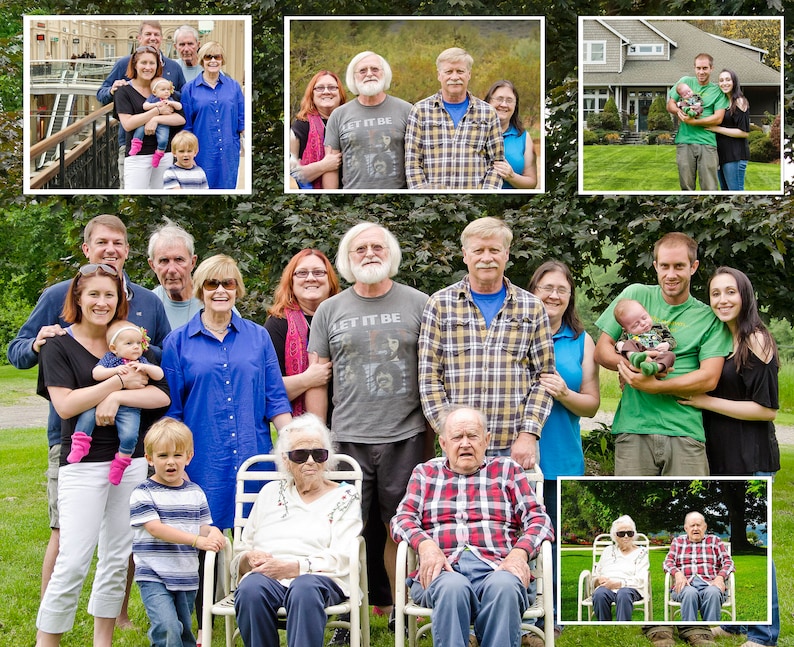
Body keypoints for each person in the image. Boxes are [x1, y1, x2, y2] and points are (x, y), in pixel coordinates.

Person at [7, 214, 170, 615]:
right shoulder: (58, 295)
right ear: (86, 249)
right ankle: (53, 610)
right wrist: (39, 344)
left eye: (118, 243)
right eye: (101, 243)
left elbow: (164, 357)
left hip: (130, 440)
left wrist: (139, 367)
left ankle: (120, 616)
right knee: (66, 536)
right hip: (72, 436)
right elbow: (19, 348)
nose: (110, 250)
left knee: (121, 538)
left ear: (128, 250)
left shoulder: (148, 301)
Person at [35, 263, 171, 647]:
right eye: (93, 294)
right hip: (81, 466)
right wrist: (117, 381)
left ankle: (103, 642)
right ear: (78, 298)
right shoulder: (58, 345)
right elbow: (65, 405)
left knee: (116, 558)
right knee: (74, 560)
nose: (101, 302)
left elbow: (160, 398)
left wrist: (116, 395)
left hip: (130, 463)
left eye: (109, 295)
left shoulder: (133, 345)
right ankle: (46, 642)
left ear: (121, 300)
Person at [161, 253, 292, 646]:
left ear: (238, 288)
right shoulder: (177, 343)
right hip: (203, 461)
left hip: (255, 460)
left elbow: (276, 401)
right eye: (212, 284)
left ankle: (264, 617)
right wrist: (177, 465)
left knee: (261, 540)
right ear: (200, 290)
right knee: (207, 547)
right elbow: (174, 411)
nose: (221, 291)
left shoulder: (258, 337)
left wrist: (297, 450)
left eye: (229, 284)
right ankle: (203, 629)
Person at [305, 222, 430, 630]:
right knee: (344, 533)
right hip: (347, 439)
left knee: (402, 529)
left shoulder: (420, 304)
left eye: (378, 246)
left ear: (391, 254)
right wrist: (318, 436)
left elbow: (435, 371)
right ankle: (346, 619)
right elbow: (317, 378)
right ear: (347, 259)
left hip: (408, 437)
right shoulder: (330, 309)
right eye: (360, 249)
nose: (370, 253)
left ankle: (400, 611)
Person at [391, 406, 555, 647]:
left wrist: (520, 553)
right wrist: (425, 546)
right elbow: (402, 518)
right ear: (444, 443)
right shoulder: (425, 473)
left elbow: (539, 519)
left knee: (505, 588)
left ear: (486, 440)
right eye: (457, 437)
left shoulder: (507, 470)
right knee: (452, 587)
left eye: (473, 436)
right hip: (444, 569)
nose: (465, 444)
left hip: (498, 567)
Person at [679, 266, 780, 647]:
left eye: (730, 292)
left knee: (761, 549)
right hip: (719, 456)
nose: (722, 299)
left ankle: (763, 634)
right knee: (730, 536)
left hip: (750, 456)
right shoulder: (721, 336)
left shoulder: (756, 338)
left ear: (745, 296)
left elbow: (767, 409)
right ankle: (738, 625)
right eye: (716, 293)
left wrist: (707, 401)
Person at [593, 232, 733, 477]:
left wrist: (654, 386)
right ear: (655, 265)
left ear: (693, 267)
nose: (671, 274)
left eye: (679, 266)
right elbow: (603, 350)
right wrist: (632, 369)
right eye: (664, 266)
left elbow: (709, 378)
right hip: (634, 427)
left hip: (684, 430)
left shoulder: (709, 317)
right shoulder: (634, 295)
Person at [418, 217, 555, 467]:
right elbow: (429, 378)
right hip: (458, 446)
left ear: (506, 253)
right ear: (465, 255)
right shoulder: (439, 304)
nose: (486, 257)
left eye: (494, 250)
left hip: (513, 445)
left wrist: (528, 434)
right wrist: (448, 433)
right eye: (478, 250)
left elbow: (543, 378)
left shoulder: (532, 307)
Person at [232, 414, 362, 647]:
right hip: (267, 576)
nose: (310, 461)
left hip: (320, 579)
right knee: (251, 588)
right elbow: (243, 547)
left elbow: (344, 556)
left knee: (304, 588)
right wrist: (248, 559)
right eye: (300, 455)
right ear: (286, 460)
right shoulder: (269, 493)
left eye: (319, 454)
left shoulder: (345, 497)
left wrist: (293, 567)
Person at [528, 260, 599, 633]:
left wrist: (565, 393)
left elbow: (591, 404)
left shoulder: (581, 340)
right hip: (518, 454)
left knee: (550, 539)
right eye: (546, 287)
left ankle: (550, 613)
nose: (553, 295)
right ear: (533, 290)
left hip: (562, 453)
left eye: (561, 290)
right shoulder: (516, 330)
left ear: (570, 297)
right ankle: (519, 610)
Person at [130, 417, 226, 647]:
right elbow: (155, 528)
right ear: (149, 458)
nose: (170, 462)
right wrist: (196, 541)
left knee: (183, 632)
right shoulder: (143, 492)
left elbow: (203, 526)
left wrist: (213, 533)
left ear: (189, 457)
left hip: (186, 575)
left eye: (177, 455)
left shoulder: (195, 492)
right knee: (167, 627)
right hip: (153, 574)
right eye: (162, 456)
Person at [68, 320, 165, 486]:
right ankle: (80, 443)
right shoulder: (111, 359)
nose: (135, 347)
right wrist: (115, 373)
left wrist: (147, 369)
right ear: (114, 348)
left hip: (130, 407)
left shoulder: (142, 361)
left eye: (138, 343)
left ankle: (121, 461)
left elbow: (159, 374)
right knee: (87, 415)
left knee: (130, 435)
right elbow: (96, 373)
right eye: (129, 343)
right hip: (101, 400)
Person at [96, 19, 186, 189]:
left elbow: (182, 107)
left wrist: (166, 103)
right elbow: (103, 96)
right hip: (133, 148)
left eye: (156, 35)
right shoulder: (124, 74)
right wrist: (158, 110)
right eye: (148, 34)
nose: (147, 67)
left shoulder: (171, 72)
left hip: (164, 147)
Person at [404, 47, 504, 189]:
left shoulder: (488, 113)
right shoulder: (420, 111)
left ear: (469, 74)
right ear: (439, 75)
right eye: (449, 71)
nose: (455, 77)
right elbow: (412, 162)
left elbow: (497, 163)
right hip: (432, 202)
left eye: (460, 71)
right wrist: (423, 195)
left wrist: (486, 193)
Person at [263, 249, 339, 418]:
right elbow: (266, 390)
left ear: (330, 280)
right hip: (300, 431)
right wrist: (308, 379)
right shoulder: (277, 325)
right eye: (302, 273)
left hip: (349, 428)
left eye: (319, 272)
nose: (311, 278)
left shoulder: (345, 319)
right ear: (291, 281)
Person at [322, 51, 412, 189]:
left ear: (384, 73)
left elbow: (419, 160)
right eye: (362, 71)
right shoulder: (338, 115)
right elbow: (330, 166)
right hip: (352, 201)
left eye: (375, 69)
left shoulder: (407, 110)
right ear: (353, 77)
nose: (369, 74)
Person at [114, 46, 186, 189]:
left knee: (162, 198)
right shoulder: (123, 92)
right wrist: (157, 111)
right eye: (143, 63)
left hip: (164, 154)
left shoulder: (166, 90)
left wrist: (156, 120)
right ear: (135, 65)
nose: (148, 67)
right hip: (137, 157)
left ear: (157, 66)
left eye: (152, 63)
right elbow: (128, 124)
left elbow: (180, 119)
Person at [182, 41, 245, 189]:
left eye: (217, 57)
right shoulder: (189, 89)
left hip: (229, 152)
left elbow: (242, 119)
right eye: (208, 57)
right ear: (201, 60)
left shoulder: (234, 87)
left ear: (222, 60)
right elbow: (186, 127)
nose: (213, 61)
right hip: (201, 151)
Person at [667, 53, 730, 191]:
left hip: (707, 143)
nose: (701, 72)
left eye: (705, 68)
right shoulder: (684, 82)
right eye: (698, 68)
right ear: (694, 68)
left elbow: (718, 118)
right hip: (685, 141)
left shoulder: (718, 91)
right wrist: (678, 111)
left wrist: (693, 122)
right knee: (686, 187)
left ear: (711, 69)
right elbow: (670, 104)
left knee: (710, 187)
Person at [663, 512, 734, 622]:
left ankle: (710, 630)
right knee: (690, 593)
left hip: (710, 583)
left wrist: (720, 577)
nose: (696, 528)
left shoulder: (715, 541)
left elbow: (728, 562)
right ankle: (690, 630)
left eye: (699, 525)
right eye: (692, 525)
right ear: (686, 528)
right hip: (685, 585)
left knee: (713, 593)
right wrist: (677, 574)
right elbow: (667, 562)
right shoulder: (678, 542)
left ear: (704, 527)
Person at [289, 70, 346, 189]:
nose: (326, 91)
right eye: (320, 88)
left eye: (332, 87)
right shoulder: (301, 126)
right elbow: (292, 173)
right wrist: (324, 165)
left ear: (340, 93)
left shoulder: (350, 122)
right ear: (312, 94)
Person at [590, 515, 649, 622]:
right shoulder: (608, 551)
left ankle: (623, 628)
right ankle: (605, 629)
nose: (626, 536)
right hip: (606, 588)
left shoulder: (641, 553)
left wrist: (619, 584)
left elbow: (641, 579)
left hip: (630, 588)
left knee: (623, 594)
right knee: (599, 594)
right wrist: (598, 580)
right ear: (614, 536)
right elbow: (596, 574)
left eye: (630, 533)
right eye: (621, 534)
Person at [147, 219, 202, 330]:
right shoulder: (147, 305)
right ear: (152, 265)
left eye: (179, 259)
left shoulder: (214, 301)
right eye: (164, 261)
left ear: (192, 262)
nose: (172, 269)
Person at [484, 80, 537, 189]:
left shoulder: (523, 137)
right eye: (499, 99)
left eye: (509, 100)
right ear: (488, 102)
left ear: (515, 105)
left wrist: (512, 177)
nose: (504, 104)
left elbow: (532, 182)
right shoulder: (473, 132)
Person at [706, 69, 751, 191]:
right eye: (721, 80)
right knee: (726, 196)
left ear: (734, 82)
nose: (724, 83)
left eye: (727, 79)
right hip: (722, 155)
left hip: (735, 155)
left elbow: (744, 132)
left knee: (736, 195)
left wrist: (716, 128)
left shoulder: (740, 102)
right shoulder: (723, 102)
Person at [614, 298, 677, 377]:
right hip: (639, 353)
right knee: (628, 343)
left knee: (671, 355)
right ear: (626, 329)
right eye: (636, 324)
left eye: (644, 318)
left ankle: (655, 368)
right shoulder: (628, 335)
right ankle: (634, 357)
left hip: (657, 354)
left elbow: (672, 340)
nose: (643, 323)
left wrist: (667, 344)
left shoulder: (659, 328)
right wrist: (620, 345)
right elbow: (619, 345)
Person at [130, 78, 183, 168]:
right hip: (148, 121)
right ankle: (136, 144)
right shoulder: (153, 98)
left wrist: (171, 103)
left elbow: (179, 107)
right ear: (154, 92)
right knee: (139, 129)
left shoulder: (170, 99)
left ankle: (159, 153)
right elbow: (145, 106)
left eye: (168, 89)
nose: (166, 92)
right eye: (163, 90)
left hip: (163, 123)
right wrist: (155, 106)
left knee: (163, 139)